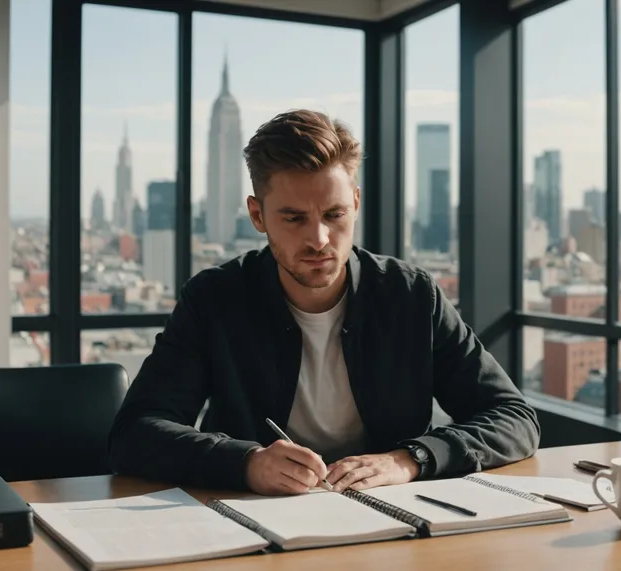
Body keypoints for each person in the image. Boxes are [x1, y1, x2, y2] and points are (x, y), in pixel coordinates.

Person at [108, 109, 539, 496]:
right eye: (294, 218)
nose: (318, 240)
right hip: (256, 521)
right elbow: (136, 434)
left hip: (391, 519)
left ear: (354, 203)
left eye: (333, 215)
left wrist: (410, 459)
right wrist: (246, 463)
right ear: (257, 216)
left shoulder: (411, 295)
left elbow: (514, 418)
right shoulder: (214, 298)